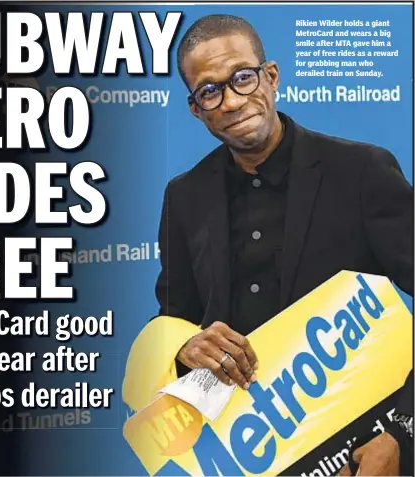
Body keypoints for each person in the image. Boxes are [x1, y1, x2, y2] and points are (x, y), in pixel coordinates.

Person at [123, 13, 413, 476]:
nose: (233, 101)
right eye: (210, 90)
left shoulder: (362, 171)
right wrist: (184, 345)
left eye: (242, 77)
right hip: (250, 454)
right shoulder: (184, 196)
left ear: (271, 76)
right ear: (196, 108)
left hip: (364, 451)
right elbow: (174, 317)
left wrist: (401, 434)